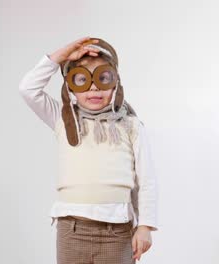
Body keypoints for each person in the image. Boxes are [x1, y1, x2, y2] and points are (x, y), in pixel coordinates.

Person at [19, 36, 157, 263]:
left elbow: (147, 179)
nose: (93, 87)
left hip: (117, 231)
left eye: (103, 78)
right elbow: (28, 89)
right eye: (82, 79)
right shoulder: (63, 119)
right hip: (71, 229)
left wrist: (145, 226)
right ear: (70, 85)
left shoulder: (130, 125)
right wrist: (61, 56)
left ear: (115, 82)